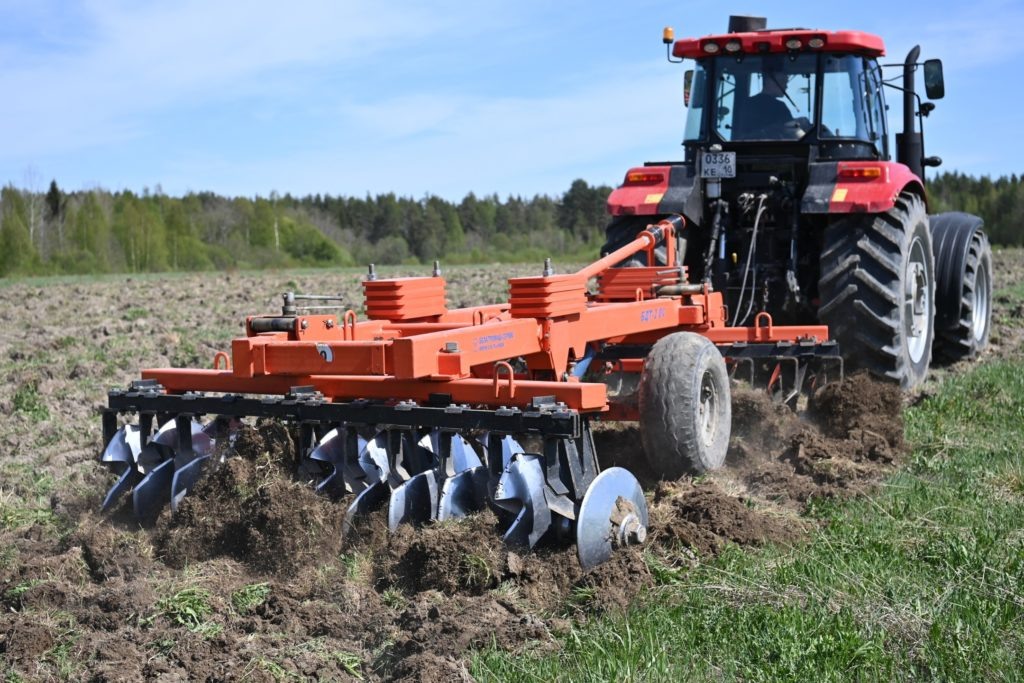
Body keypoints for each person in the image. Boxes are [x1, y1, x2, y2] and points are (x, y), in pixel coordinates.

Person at [734, 69, 794, 139]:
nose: (786, 86)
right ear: (768, 81)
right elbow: (793, 131)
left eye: (786, 83)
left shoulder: (747, 104)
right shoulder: (779, 106)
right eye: (782, 82)